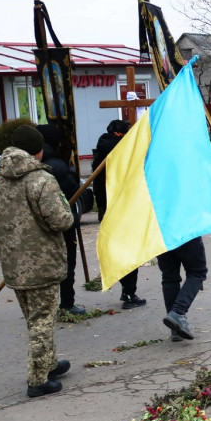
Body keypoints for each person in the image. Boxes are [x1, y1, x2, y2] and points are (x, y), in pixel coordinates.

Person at [0, 126, 75, 398]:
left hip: (13, 264)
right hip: (42, 263)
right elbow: (61, 220)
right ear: (37, 150)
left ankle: (48, 363)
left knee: (35, 319)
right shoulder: (41, 180)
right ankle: (37, 380)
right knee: (43, 320)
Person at [35, 124, 88, 316]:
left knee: (41, 265)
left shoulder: (30, 164)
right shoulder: (57, 166)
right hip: (60, 223)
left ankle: (41, 306)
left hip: (36, 225)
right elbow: (71, 192)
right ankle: (66, 303)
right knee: (66, 263)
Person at [91, 119, 145, 308]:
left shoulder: (101, 148)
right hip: (124, 208)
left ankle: (126, 290)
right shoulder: (124, 150)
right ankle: (129, 294)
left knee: (117, 248)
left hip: (106, 209)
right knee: (130, 250)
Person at [160, 236, 208, 342]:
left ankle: (175, 328)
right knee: (197, 273)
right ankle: (178, 312)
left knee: (169, 278)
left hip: (161, 235)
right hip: (186, 231)